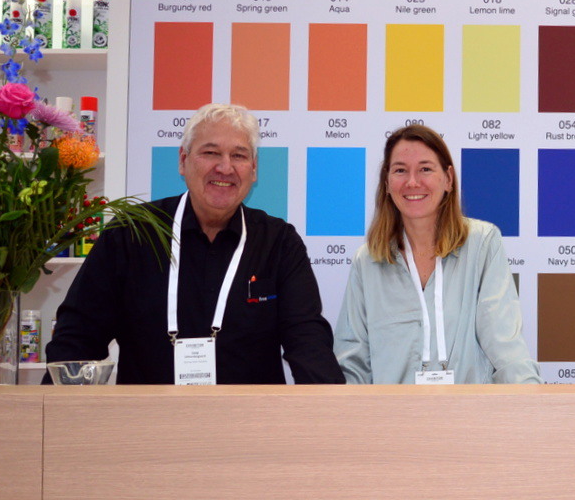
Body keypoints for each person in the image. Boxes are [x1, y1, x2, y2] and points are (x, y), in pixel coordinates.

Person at [45, 103, 344, 385]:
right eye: (210, 152)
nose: (225, 167)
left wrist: (334, 410)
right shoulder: (131, 233)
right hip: (150, 418)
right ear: (183, 160)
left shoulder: (279, 242)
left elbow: (307, 339)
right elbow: (79, 335)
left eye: (239, 156)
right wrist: (51, 408)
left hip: (251, 419)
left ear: (253, 169)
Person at [334, 124, 540, 384]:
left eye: (425, 169)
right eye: (400, 170)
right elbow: (352, 363)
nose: (412, 182)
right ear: (386, 183)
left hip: (468, 408)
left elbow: (505, 344)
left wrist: (531, 400)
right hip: (393, 410)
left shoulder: (482, 243)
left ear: (448, 179)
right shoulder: (367, 261)